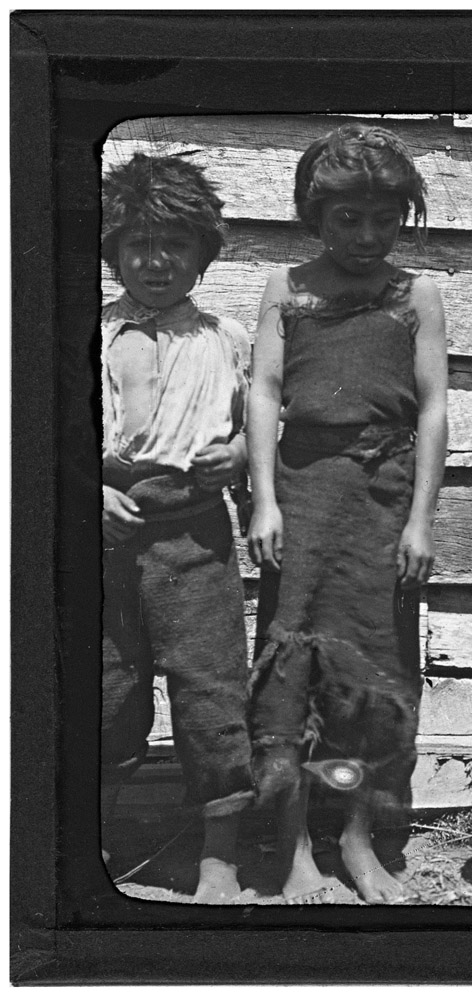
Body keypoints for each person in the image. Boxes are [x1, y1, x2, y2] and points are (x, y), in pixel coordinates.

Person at [246, 123, 448, 904]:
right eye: (347, 219)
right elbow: (265, 392)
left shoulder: (415, 296)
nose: (366, 236)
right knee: (291, 670)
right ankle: (294, 841)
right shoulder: (286, 288)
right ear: (315, 216)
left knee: (373, 673)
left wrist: (420, 519)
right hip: (303, 495)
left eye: (383, 219)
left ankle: (358, 837)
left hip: (383, 499)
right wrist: (265, 500)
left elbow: (432, 409)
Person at [100, 153, 255, 904]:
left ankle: (219, 856)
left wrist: (242, 452)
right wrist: (89, 492)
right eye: (138, 244)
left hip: (194, 536)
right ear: (112, 251)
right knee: (105, 688)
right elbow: (34, 434)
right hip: (103, 539)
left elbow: (258, 425)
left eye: (175, 244)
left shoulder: (225, 338)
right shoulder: (85, 333)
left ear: (203, 253)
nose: (155, 261)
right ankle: (93, 839)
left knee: (210, 692)